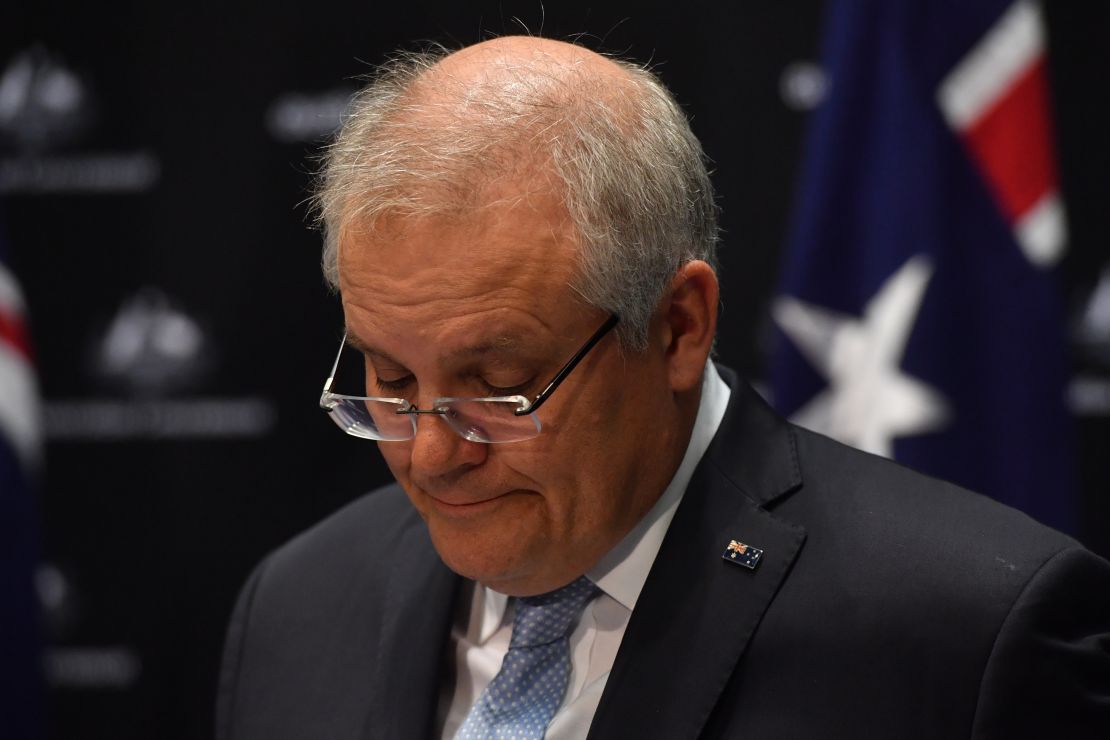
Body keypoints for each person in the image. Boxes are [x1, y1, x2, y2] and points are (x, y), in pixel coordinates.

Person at [216, 36, 1110, 739]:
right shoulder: (298, 606)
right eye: (391, 378)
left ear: (678, 325)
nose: (434, 452)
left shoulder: (965, 638)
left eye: (500, 386)